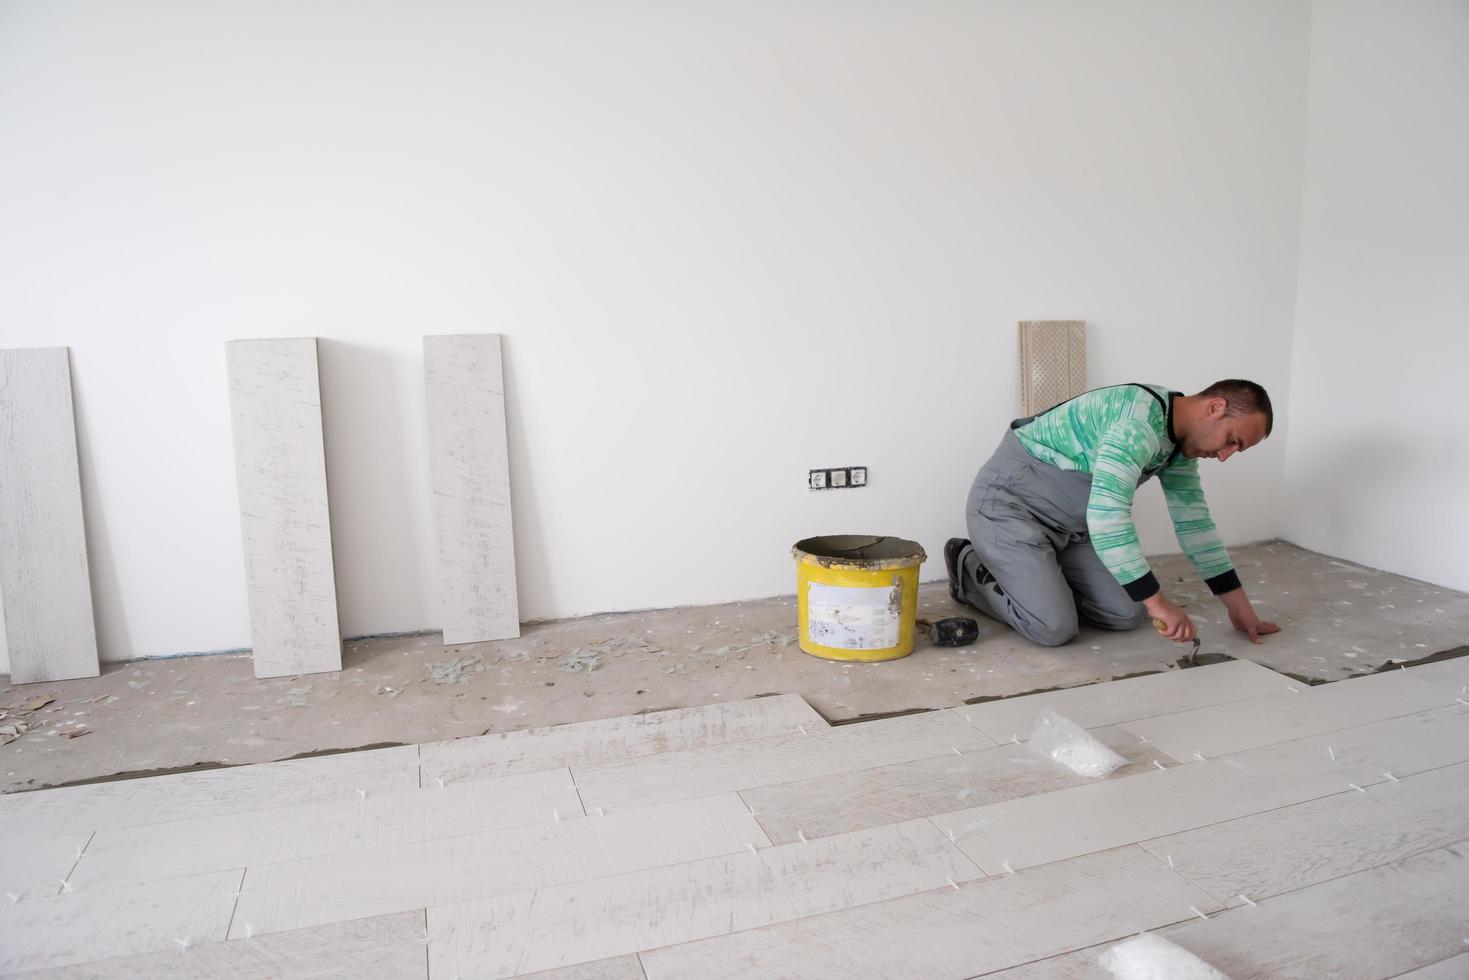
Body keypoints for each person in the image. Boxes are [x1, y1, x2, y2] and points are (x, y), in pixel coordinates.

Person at [945, 380, 1281, 648]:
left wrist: (1240, 610)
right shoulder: (1136, 423)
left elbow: (1195, 525)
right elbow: (1109, 518)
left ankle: (1043, 582)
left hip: (1073, 527)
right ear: (1215, 407)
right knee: (1053, 627)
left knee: (1125, 613)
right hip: (1008, 510)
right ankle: (968, 564)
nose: (1224, 456)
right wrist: (1159, 604)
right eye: (1232, 441)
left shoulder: (1179, 445)